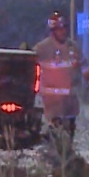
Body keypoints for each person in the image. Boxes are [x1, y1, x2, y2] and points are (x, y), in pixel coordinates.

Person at [33, 11, 82, 146]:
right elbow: (30, 64)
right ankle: (54, 159)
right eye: (59, 29)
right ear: (52, 30)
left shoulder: (73, 47)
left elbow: (82, 68)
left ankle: (67, 161)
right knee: (56, 137)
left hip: (70, 103)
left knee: (69, 135)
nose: (63, 31)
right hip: (52, 104)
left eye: (65, 27)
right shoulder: (42, 48)